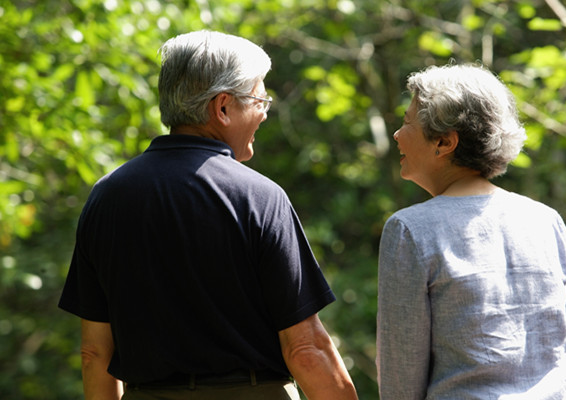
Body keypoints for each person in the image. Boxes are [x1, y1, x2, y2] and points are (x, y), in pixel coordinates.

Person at [58, 30, 357, 400]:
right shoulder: (260, 197)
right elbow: (305, 349)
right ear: (223, 107)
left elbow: (95, 353)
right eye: (259, 99)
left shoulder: (106, 197)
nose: (264, 112)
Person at [376, 63, 566, 399]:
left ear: (444, 142)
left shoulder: (410, 230)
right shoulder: (546, 220)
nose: (397, 134)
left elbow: (401, 376)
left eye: (407, 123)